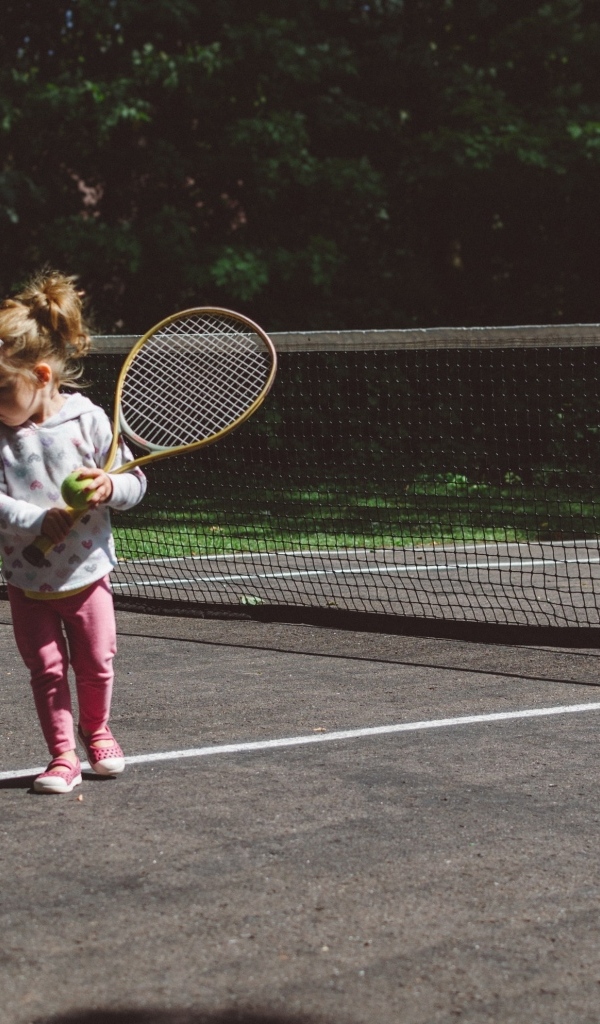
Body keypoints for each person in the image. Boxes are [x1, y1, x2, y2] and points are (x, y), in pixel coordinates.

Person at [0, 270, 146, 793]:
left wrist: (110, 487)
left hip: (87, 576)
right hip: (26, 582)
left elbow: (135, 484)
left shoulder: (89, 421)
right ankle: (62, 755)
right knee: (47, 671)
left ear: (40, 375)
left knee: (98, 663)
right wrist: (35, 520)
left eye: (0, 390)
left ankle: (97, 729)